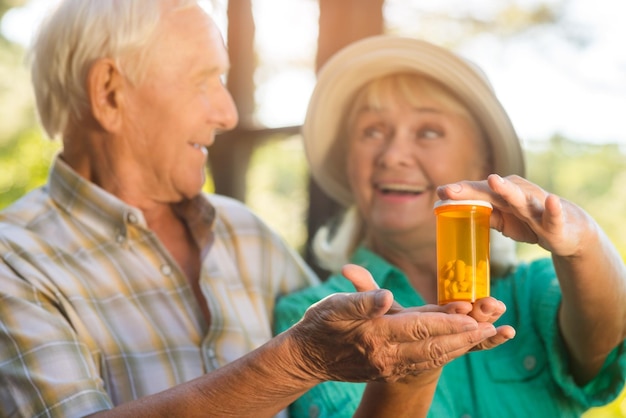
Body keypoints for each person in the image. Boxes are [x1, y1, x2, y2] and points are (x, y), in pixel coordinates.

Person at [0, 2, 517, 417]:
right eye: (203, 81)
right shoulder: (14, 263)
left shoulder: (245, 233)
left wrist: (407, 368)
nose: (226, 112)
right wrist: (300, 359)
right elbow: (309, 353)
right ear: (109, 93)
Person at [274, 35, 626, 418]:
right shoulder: (313, 318)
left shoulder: (534, 292)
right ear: (348, 161)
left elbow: (602, 345)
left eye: (428, 132)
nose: (392, 155)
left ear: (483, 161)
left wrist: (584, 241)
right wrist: (407, 380)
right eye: (372, 131)